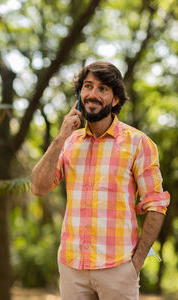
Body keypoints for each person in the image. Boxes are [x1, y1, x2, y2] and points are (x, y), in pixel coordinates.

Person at [31, 61, 170, 300]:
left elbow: (156, 204)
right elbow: (38, 186)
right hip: (72, 267)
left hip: (117, 268)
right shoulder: (70, 142)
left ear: (115, 99)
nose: (93, 94)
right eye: (88, 86)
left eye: (103, 88)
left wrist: (135, 264)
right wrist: (61, 137)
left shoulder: (138, 143)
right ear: (79, 94)